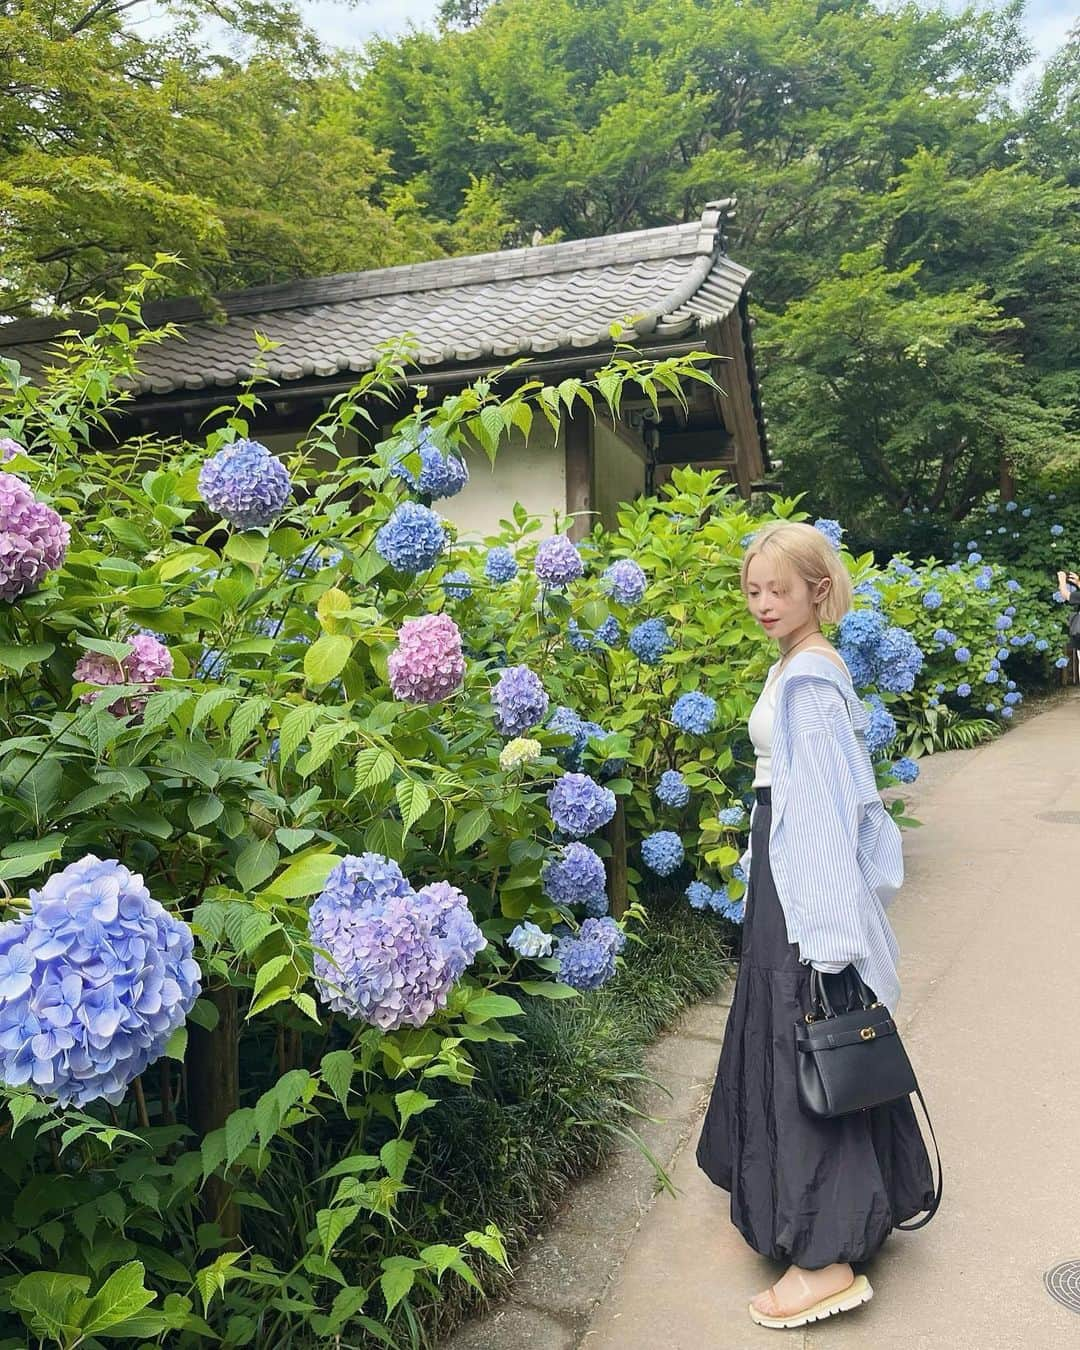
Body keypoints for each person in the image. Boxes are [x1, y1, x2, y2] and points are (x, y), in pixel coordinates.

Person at [695, 519, 936, 1330]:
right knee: (807, 1042)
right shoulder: (796, 666)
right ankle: (825, 1215)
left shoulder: (810, 683)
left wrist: (830, 932)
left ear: (818, 591)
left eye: (780, 590)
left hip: (804, 889)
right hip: (785, 875)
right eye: (753, 590)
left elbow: (835, 811)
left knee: (809, 1040)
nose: (764, 604)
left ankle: (825, 1258)